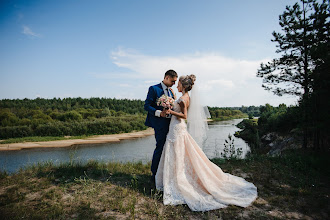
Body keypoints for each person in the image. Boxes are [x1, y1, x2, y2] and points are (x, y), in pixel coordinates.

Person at [155, 74, 258, 211]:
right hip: (176, 128)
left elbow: (184, 116)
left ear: (184, 86)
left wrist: (170, 111)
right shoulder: (186, 97)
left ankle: (177, 180)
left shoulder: (182, 99)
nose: (177, 86)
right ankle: (174, 178)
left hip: (177, 128)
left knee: (178, 153)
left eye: (179, 84)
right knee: (179, 153)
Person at [144, 69, 178, 184]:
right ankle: (154, 174)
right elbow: (147, 106)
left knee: (169, 148)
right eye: (173, 81)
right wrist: (160, 113)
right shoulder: (154, 89)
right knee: (160, 147)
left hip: (171, 124)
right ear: (167, 77)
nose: (174, 84)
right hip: (159, 124)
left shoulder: (171, 91)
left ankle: (165, 173)